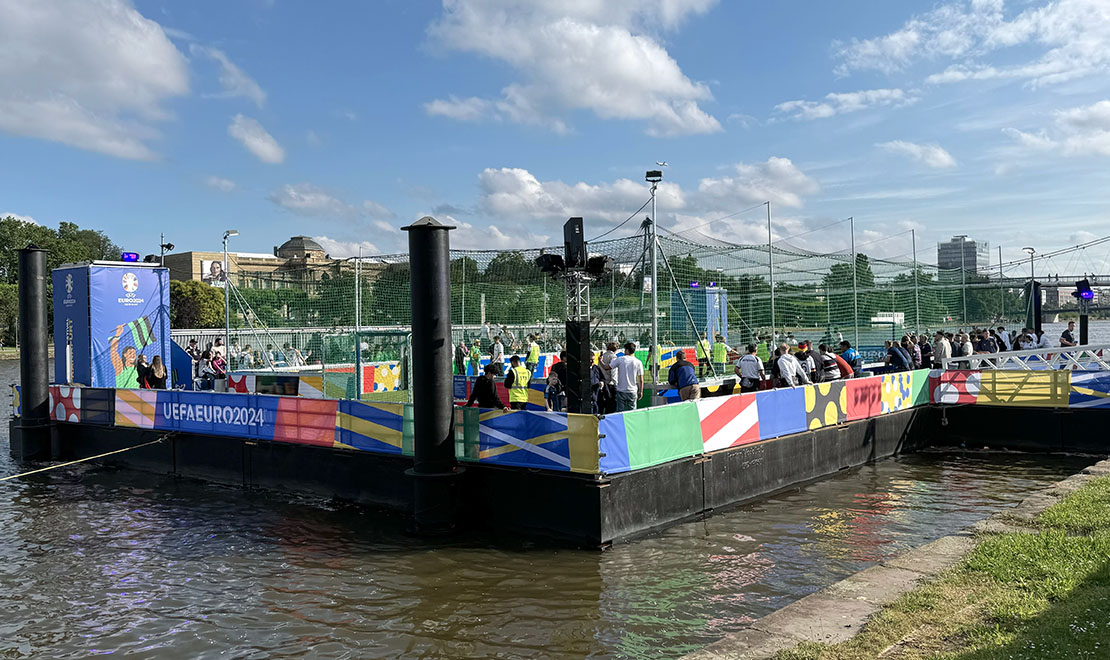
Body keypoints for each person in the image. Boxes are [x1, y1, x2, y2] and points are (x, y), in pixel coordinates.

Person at [609, 342, 645, 412]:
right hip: (632, 390)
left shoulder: (620, 359)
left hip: (621, 390)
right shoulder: (638, 362)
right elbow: (641, 379)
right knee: (632, 412)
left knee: (620, 411)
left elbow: (607, 367)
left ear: (627, 350)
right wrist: (641, 391)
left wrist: (600, 361)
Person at [109, 324, 141, 389]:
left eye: (135, 353)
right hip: (122, 396)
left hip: (137, 396)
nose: (133, 355)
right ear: (125, 355)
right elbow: (113, 351)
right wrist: (118, 334)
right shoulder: (120, 367)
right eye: (130, 353)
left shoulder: (138, 369)